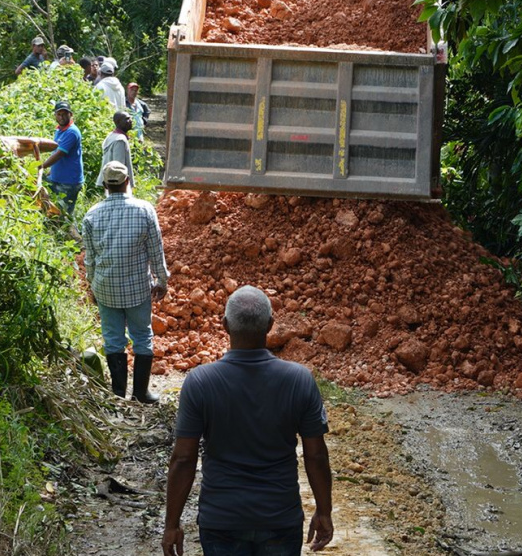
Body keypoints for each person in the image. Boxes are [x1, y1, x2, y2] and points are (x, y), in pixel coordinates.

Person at [163, 286, 334, 556]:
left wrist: (171, 524)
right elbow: (316, 456)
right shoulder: (298, 380)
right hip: (280, 519)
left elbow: (184, 459)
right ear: (270, 325)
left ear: (225, 326)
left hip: (222, 520)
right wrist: (324, 511)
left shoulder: (200, 382)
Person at [82, 160, 170, 404]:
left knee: (113, 339)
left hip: (106, 289)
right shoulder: (144, 210)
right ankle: (141, 394)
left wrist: (92, 286)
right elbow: (156, 252)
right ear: (127, 182)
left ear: (105, 186)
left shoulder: (92, 215)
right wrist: (162, 281)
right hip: (137, 290)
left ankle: (118, 394)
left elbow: (90, 259)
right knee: (142, 336)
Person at [37, 100, 84, 217]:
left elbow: (59, 154)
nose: (62, 117)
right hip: (57, 178)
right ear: (55, 115)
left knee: (64, 215)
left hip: (69, 182)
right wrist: (50, 171)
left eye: (64, 114)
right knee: (52, 211)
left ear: (70, 114)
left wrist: (41, 167)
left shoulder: (72, 132)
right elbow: (55, 150)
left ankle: (71, 234)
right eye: (59, 114)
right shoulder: (59, 129)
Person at [97, 111, 134, 188]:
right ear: (118, 122)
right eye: (127, 119)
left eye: (130, 118)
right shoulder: (120, 140)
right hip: (118, 185)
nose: (131, 120)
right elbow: (118, 167)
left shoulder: (112, 135)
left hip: (110, 182)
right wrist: (123, 186)